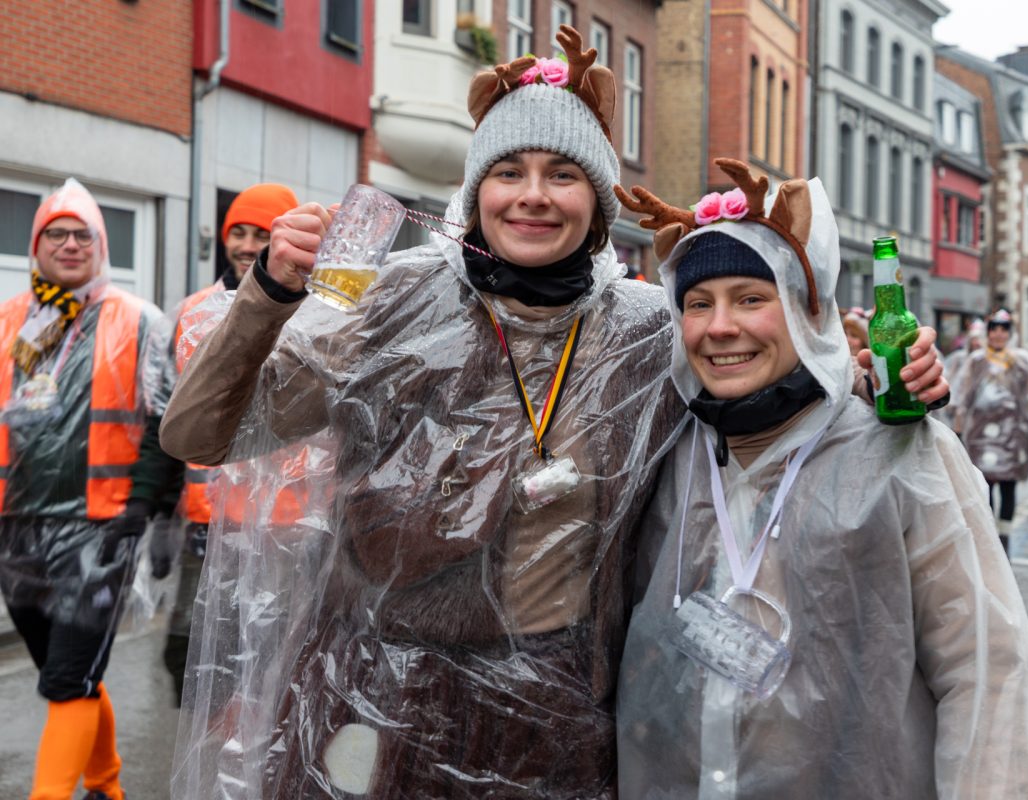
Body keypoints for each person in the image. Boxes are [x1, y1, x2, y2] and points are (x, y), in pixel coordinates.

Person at [160, 28, 949, 799]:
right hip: (373, 700)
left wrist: (889, 370)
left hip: (557, 719)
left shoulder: (649, 326)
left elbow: (781, 384)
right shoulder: (394, 301)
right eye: (508, 171)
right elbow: (200, 433)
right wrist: (269, 296)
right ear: (475, 195)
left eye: (561, 174)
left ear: (599, 204)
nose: (532, 195)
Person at [613, 161, 1028, 799]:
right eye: (698, 304)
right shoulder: (668, 450)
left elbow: (986, 671)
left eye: (752, 299)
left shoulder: (899, 454)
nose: (720, 326)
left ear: (808, 310)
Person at [0, 178, 181, 800]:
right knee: (66, 672)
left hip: (101, 527)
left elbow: (166, 420)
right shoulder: (8, 323)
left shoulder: (140, 321)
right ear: (36, 244)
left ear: (101, 245)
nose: (71, 243)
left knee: (68, 677)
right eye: (57, 232)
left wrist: (144, 508)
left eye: (84, 233)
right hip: (16, 527)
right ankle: (107, 782)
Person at [154, 183, 300, 706]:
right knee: (192, 654)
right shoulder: (191, 312)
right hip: (207, 520)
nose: (246, 244)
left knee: (270, 656)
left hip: (287, 527)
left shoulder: (314, 312)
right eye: (238, 231)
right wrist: (149, 516)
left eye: (262, 233)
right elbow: (162, 417)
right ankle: (217, 742)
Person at [956, 310, 1028, 555]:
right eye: (994, 329)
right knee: (983, 487)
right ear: (988, 333)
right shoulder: (976, 361)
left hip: (1012, 435)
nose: (998, 334)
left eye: (1004, 329)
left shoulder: (1022, 361)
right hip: (981, 437)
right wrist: (957, 432)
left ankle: (1004, 538)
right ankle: (988, 540)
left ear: (1010, 333)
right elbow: (963, 397)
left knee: (1008, 486)